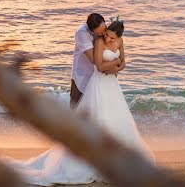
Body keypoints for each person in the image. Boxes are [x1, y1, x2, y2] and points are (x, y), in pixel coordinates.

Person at [9, 15, 154, 185]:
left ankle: (108, 160)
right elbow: (97, 63)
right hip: (82, 79)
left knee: (110, 120)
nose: (103, 36)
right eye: (100, 33)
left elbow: (123, 62)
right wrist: (115, 63)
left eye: (105, 31)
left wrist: (118, 66)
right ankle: (76, 159)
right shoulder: (82, 34)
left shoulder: (113, 38)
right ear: (92, 30)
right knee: (78, 122)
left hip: (108, 85)